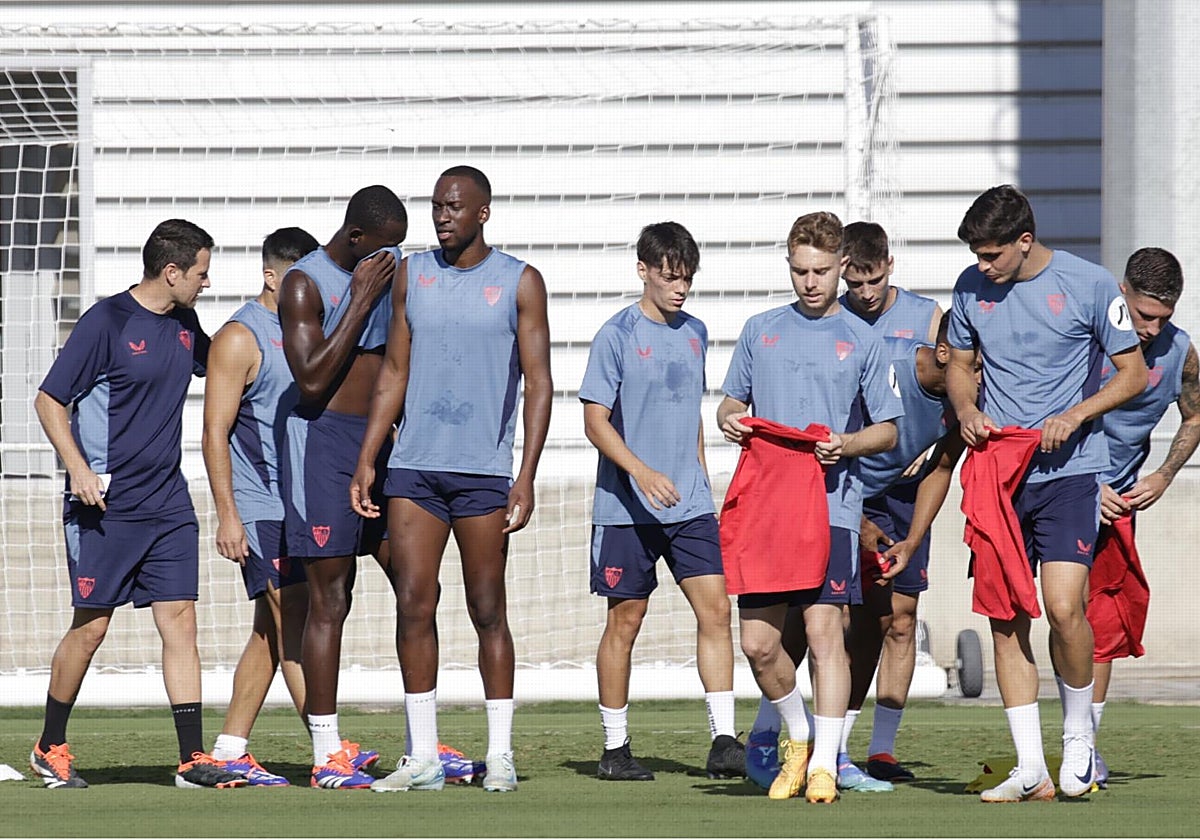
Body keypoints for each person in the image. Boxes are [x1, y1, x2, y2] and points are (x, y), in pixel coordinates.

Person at [351, 165, 553, 793]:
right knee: (414, 602)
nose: (443, 215)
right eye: (438, 205)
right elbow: (393, 372)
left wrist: (525, 474)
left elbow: (539, 382)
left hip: (485, 473)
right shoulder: (412, 274)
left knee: (487, 607)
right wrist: (368, 455)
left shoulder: (519, 282)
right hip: (414, 468)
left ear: (483, 212)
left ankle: (499, 754)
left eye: (456, 206)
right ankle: (422, 756)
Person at [945, 184, 1148, 802]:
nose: (982, 266)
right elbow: (957, 361)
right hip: (999, 477)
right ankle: (1029, 765)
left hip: (1071, 470)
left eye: (992, 255)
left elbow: (1134, 374)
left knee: (1063, 607)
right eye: (977, 255)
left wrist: (1077, 414)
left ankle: (1080, 739)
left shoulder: (1089, 284)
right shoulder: (968, 288)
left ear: (1024, 241)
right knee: (1005, 622)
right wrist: (964, 407)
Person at [30, 219, 245, 789]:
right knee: (92, 628)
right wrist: (78, 469)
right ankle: (49, 744)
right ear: (171, 271)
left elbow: (224, 366)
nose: (206, 280)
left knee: (180, 621)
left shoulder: (185, 323)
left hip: (169, 502)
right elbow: (49, 400)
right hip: (105, 507)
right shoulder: (107, 322)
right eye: (200, 272)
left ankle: (192, 759)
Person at [718, 211, 902, 804]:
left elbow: (890, 432)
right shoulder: (759, 329)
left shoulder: (863, 339)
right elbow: (729, 401)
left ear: (841, 266)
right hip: (768, 505)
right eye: (799, 270)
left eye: (821, 271)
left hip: (832, 508)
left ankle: (825, 762)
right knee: (757, 644)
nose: (809, 282)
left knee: (826, 633)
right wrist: (726, 418)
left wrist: (846, 444)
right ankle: (798, 738)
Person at [578, 222, 743, 782]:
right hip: (625, 507)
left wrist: (699, 475)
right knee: (627, 619)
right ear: (644, 271)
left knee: (717, 610)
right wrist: (642, 473)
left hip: (690, 504)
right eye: (670, 277)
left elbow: (690, 411)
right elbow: (594, 422)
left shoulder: (696, 331)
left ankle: (724, 740)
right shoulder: (615, 335)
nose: (680, 288)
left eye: (687, 278)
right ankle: (615, 748)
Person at [278, 185, 406, 789]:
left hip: (383, 444)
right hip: (324, 444)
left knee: (417, 582)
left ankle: (421, 744)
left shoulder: (392, 273)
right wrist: (358, 300)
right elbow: (310, 379)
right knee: (331, 599)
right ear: (357, 240)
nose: (392, 260)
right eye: (383, 249)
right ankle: (327, 752)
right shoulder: (305, 284)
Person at [201, 227, 319, 785]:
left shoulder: (311, 331)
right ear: (272, 276)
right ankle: (328, 751)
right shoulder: (238, 338)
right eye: (300, 278)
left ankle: (228, 749)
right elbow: (214, 433)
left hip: (300, 503)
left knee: (269, 632)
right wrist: (228, 514)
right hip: (258, 505)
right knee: (295, 619)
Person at [833, 222, 947, 789]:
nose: (865, 293)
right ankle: (825, 741)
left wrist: (923, 454)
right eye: (853, 283)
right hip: (848, 483)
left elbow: (951, 409)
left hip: (907, 488)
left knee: (901, 618)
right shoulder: (831, 319)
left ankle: (879, 749)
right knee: (845, 618)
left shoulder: (930, 320)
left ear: (890, 266)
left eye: (872, 280)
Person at [1087, 247, 1199, 787]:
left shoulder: (1179, 351)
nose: (1151, 328)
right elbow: (1036, 406)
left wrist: (1164, 474)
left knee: (1104, 620)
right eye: (1142, 315)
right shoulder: (1085, 337)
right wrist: (1087, 483)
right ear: (1122, 292)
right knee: (1038, 614)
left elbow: (1195, 414)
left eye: (1163, 318)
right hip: (1052, 490)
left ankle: (1085, 743)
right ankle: (1029, 747)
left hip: (1119, 506)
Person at [840, 221, 943, 344]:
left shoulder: (927, 316)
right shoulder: (827, 320)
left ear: (890, 265)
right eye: (856, 284)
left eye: (875, 281)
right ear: (840, 272)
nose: (867, 294)